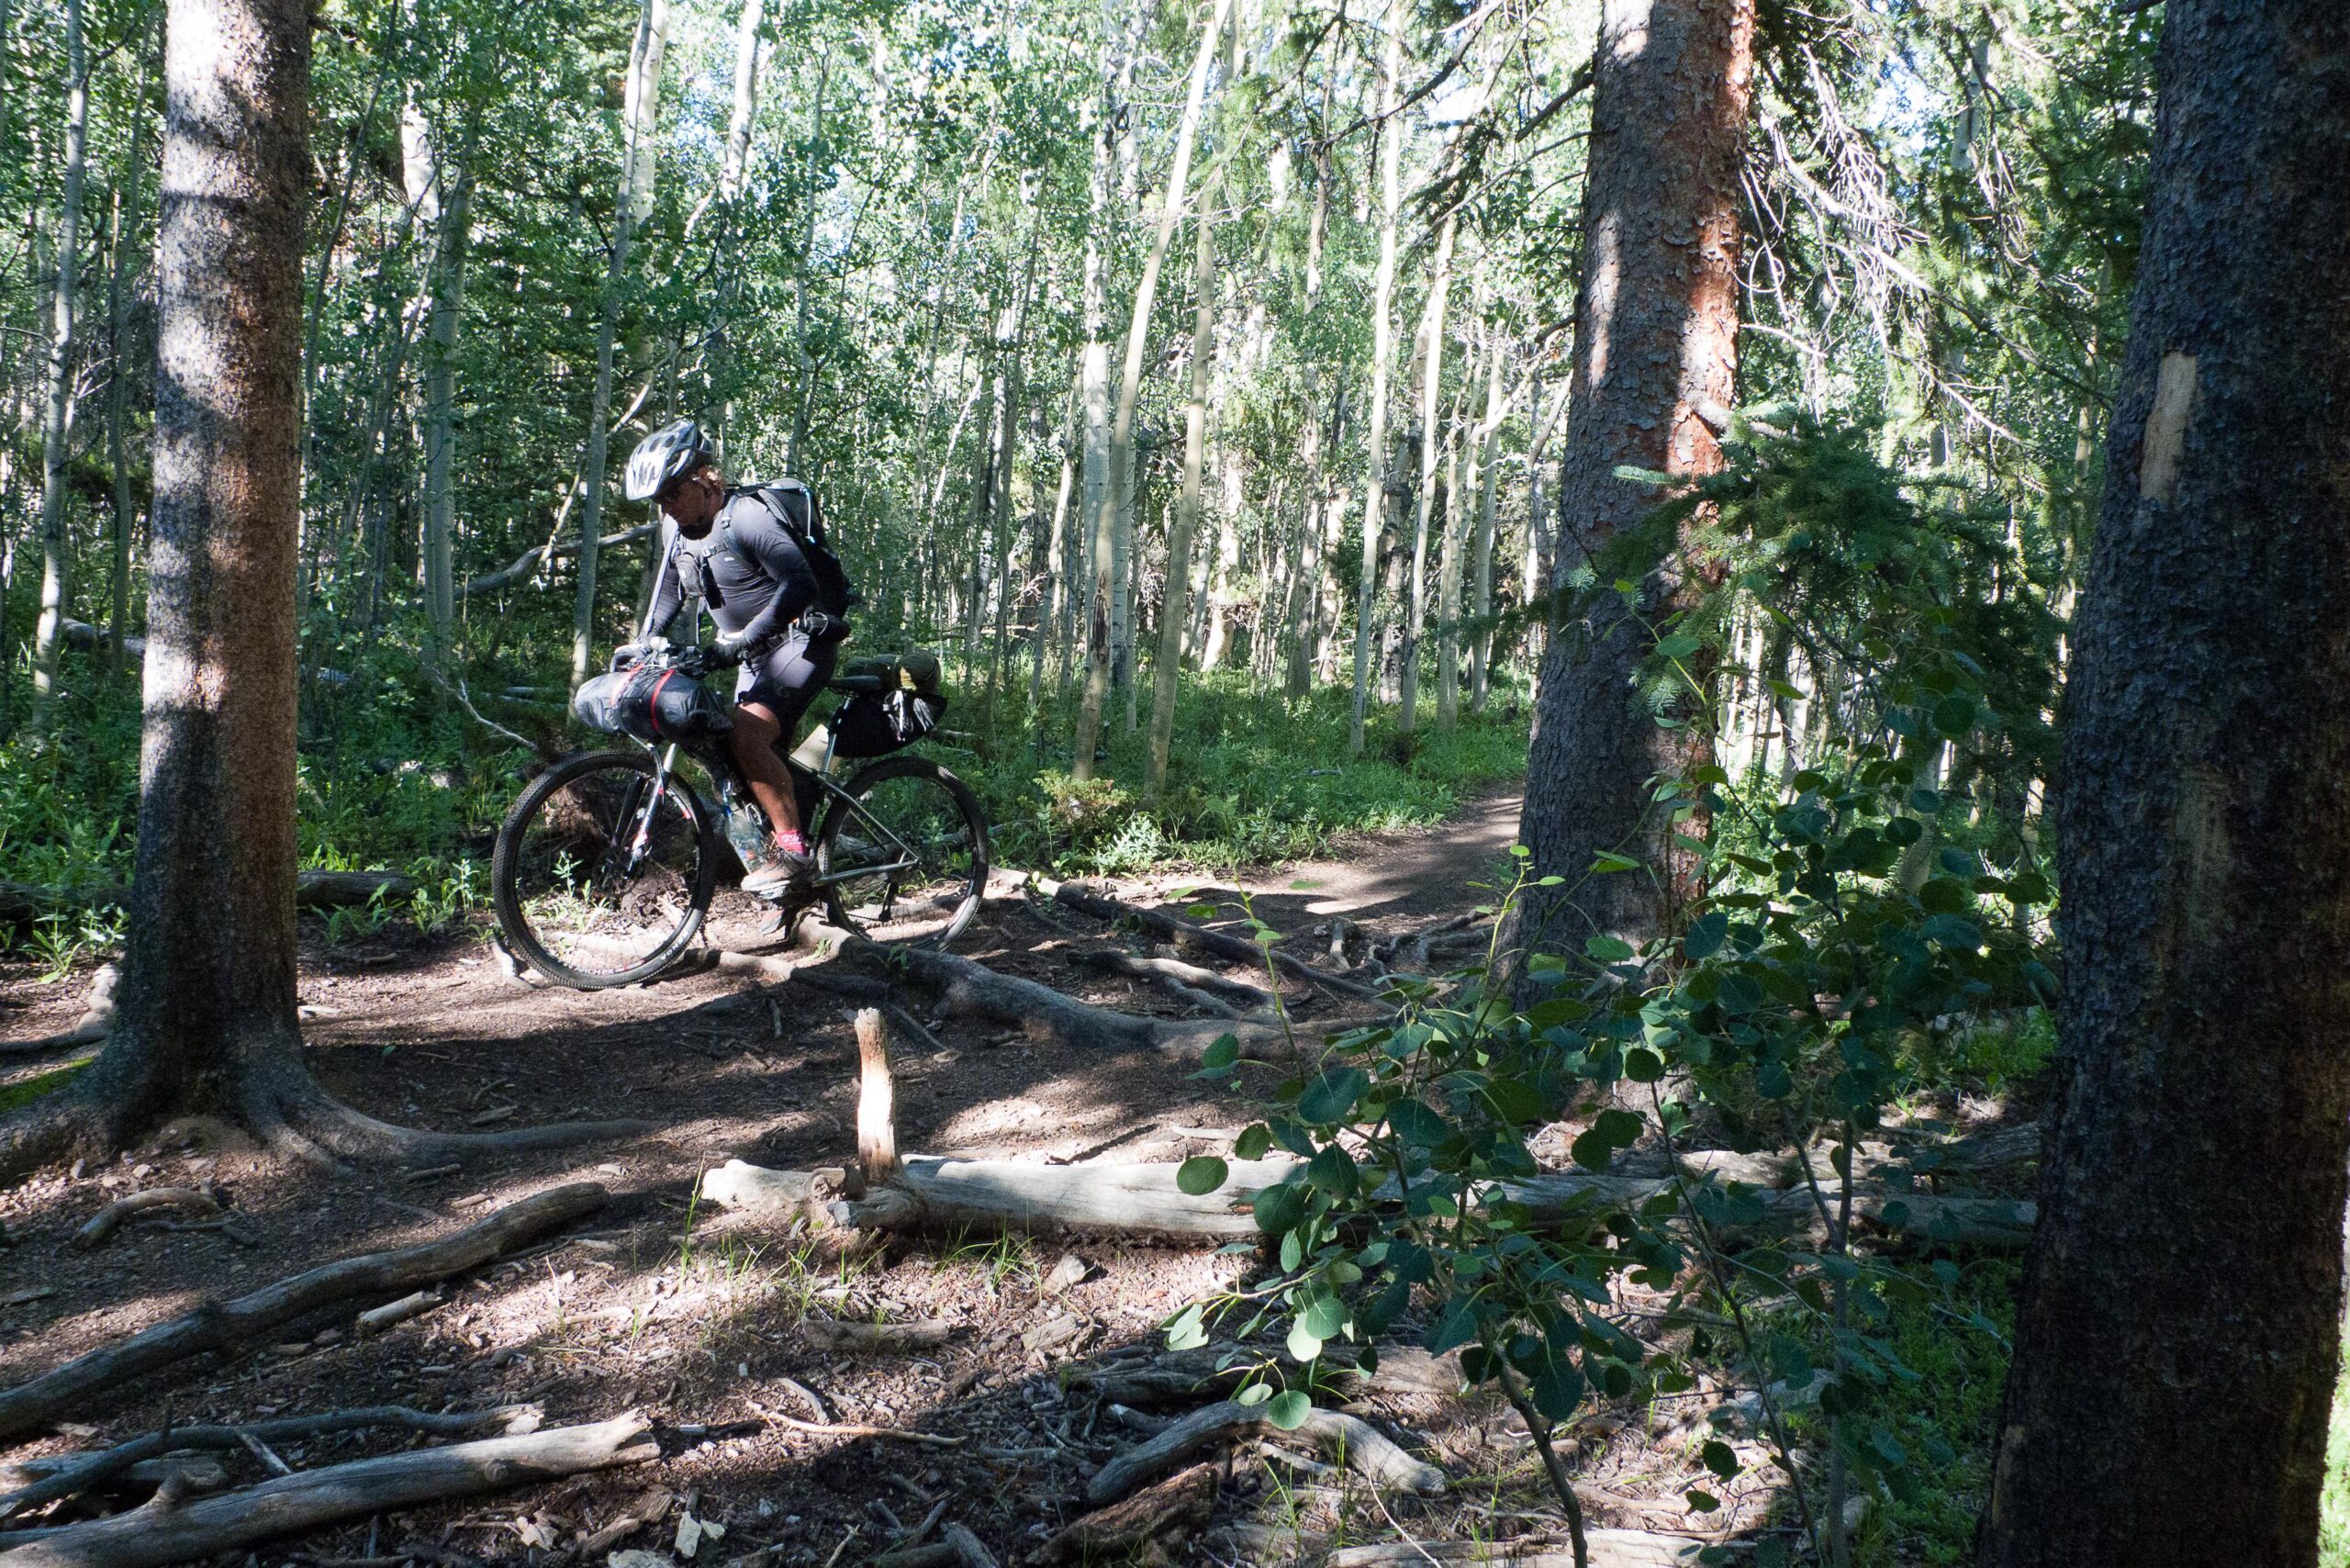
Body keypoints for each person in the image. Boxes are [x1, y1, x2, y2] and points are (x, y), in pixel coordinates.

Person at [621, 420, 839, 894]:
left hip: (800, 644)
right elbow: (671, 591)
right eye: (661, 500)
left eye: (673, 493)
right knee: (729, 751)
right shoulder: (674, 530)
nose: (668, 506)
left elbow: (799, 585)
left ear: (706, 480)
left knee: (746, 734)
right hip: (752, 654)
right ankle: (786, 881)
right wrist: (646, 639)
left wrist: (740, 641)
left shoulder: (747, 518)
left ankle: (796, 855)